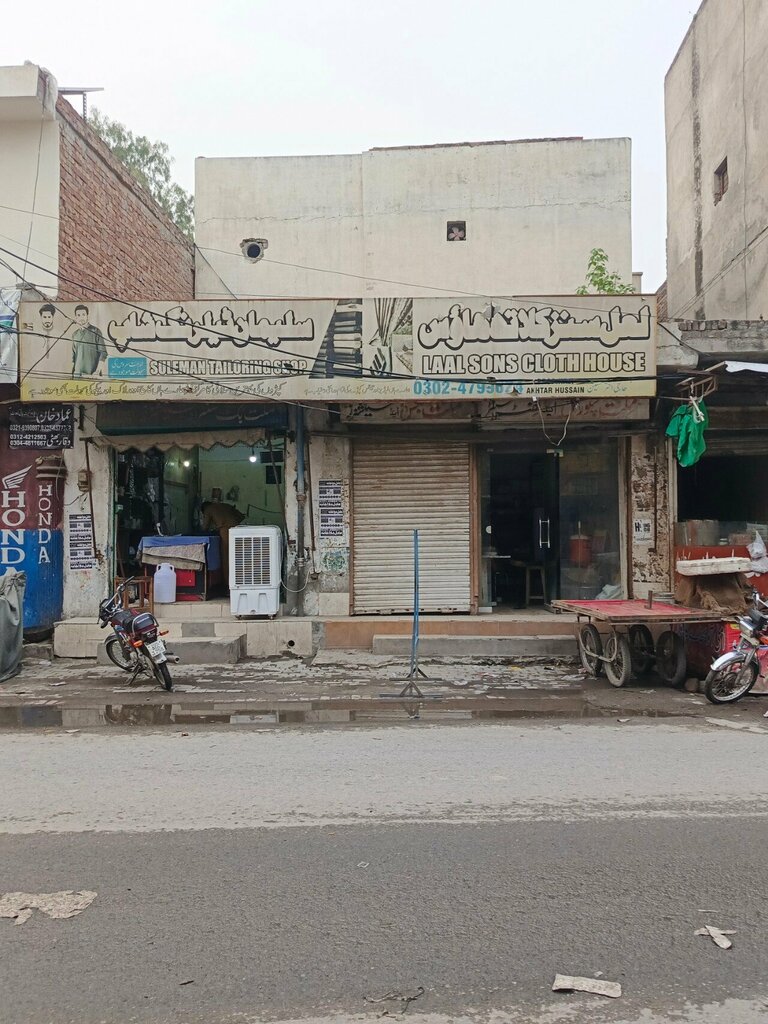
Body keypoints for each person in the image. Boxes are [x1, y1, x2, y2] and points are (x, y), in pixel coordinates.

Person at [200, 500, 244, 581]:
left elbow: (205, 527)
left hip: (225, 530)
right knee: (239, 555)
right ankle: (241, 579)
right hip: (238, 530)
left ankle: (227, 583)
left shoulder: (208, 509)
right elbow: (241, 516)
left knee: (226, 557)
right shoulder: (226, 505)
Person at [71, 304, 107, 377]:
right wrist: (73, 373)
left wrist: (97, 371)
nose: (81, 317)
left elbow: (103, 353)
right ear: (76, 317)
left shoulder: (96, 331)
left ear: (87, 316)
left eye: (83, 314)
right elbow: (74, 357)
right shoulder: (75, 334)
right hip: (77, 375)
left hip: (92, 375)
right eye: (78, 315)